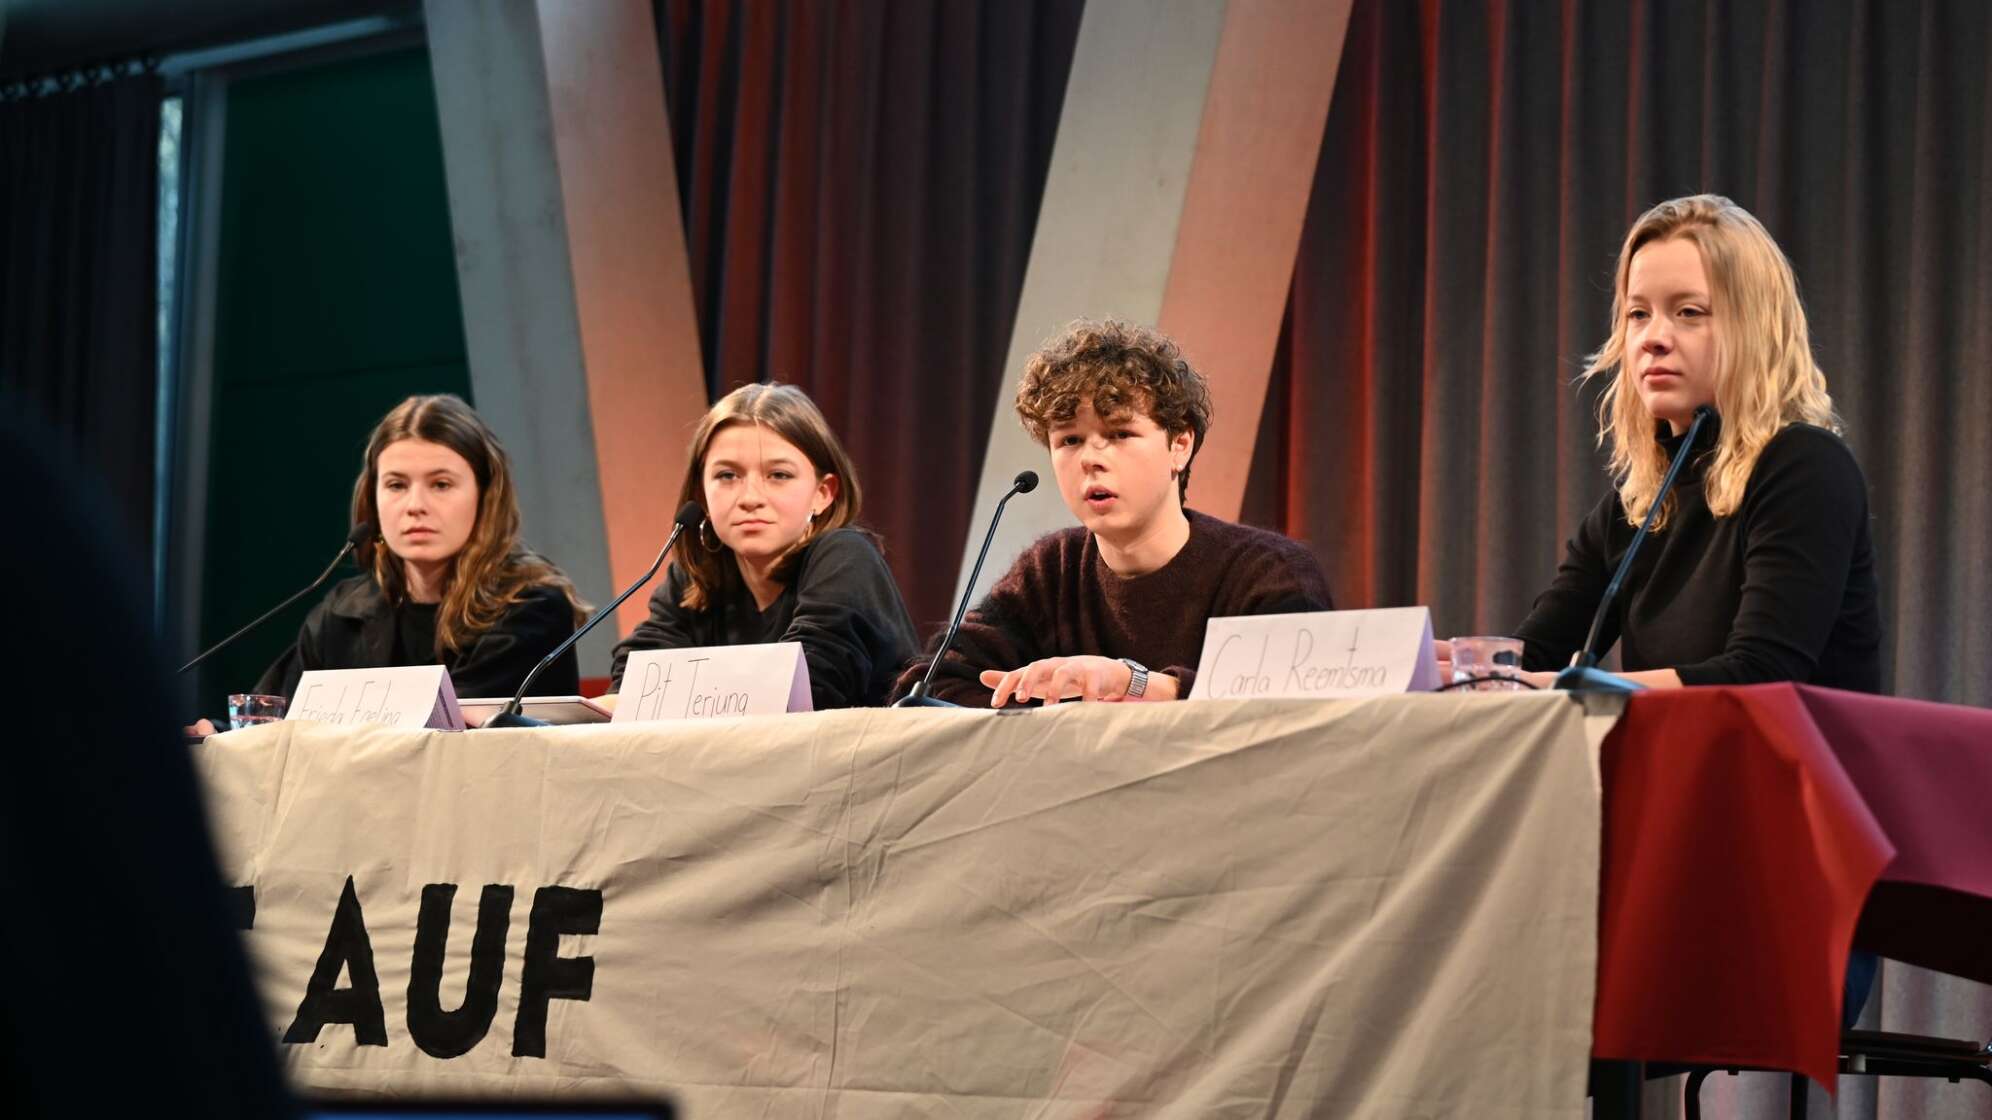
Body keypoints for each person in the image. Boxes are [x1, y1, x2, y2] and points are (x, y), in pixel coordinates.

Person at [1479, 195, 1881, 693]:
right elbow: (1532, 655)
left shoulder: (1805, 468)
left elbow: (1760, 676)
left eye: (1689, 312)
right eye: (1637, 314)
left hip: (1794, 768)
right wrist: (1423, 661)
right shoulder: (1636, 509)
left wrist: (1576, 688)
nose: (1654, 338)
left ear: (1753, 328)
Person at [895, 319, 1333, 707]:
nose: (1091, 458)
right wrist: (1053, 713)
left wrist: (1134, 684)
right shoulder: (1052, 570)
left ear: (1179, 444)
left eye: (1120, 433)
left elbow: (1290, 708)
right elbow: (928, 688)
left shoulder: (1268, 573)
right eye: (1069, 440)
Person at [252, 394, 590, 701]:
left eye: (441, 484)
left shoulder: (530, 607)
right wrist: (217, 733)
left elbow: (444, 732)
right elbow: (269, 716)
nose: (415, 505)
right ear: (373, 499)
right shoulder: (343, 613)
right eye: (396, 485)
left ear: (485, 498)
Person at [608, 382, 918, 710]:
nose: (750, 498)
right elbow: (633, 682)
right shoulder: (695, 578)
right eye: (727, 475)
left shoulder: (845, 556)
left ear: (823, 493)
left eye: (779, 475)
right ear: (701, 493)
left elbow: (807, 689)